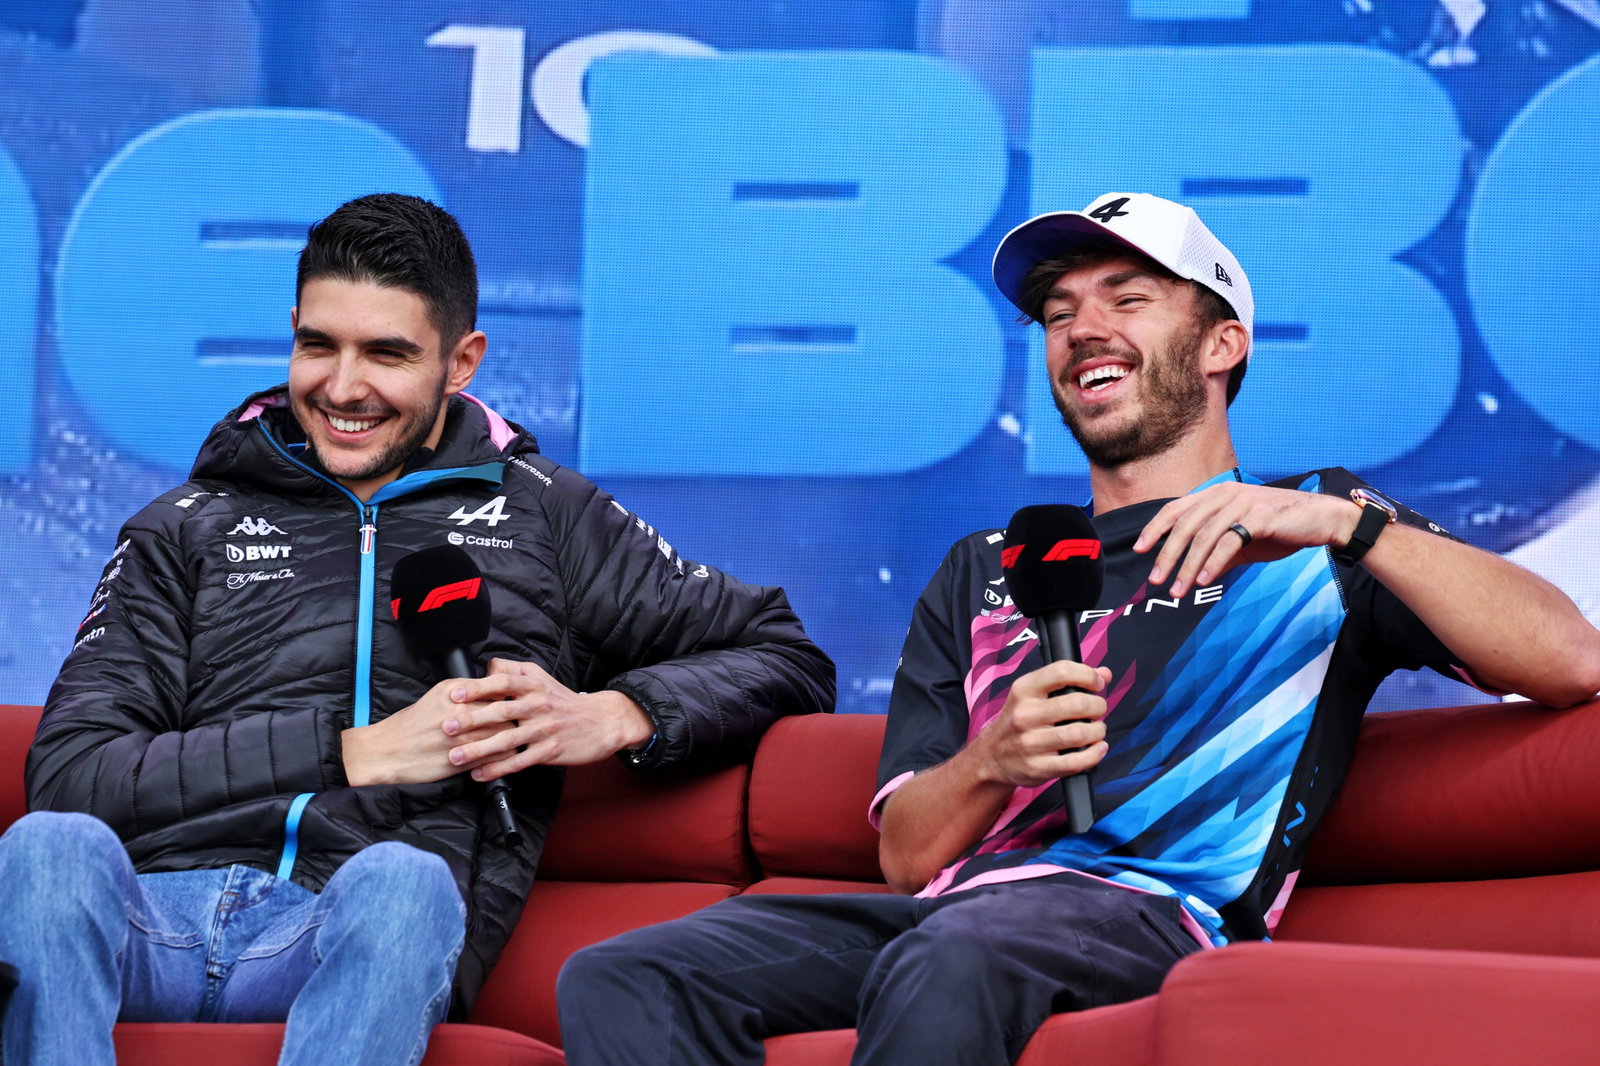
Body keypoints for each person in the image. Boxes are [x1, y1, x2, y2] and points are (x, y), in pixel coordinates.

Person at [556, 191, 1600, 1065]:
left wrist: (1350, 523)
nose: (1082, 327)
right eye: (1058, 313)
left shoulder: (1315, 533)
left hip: (1150, 913)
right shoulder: (983, 566)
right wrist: (990, 759)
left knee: (958, 952)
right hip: (954, 915)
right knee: (623, 970)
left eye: (1127, 298)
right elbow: (906, 858)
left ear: (1221, 343)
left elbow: (1568, 659)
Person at [0, 193, 835, 1066]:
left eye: (387, 354)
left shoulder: (545, 516)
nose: (342, 387)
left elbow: (783, 650)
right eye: (318, 345)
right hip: (153, 922)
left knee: (406, 879)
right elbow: (70, 775)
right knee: (49, 848)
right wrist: (351, 752)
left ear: (461, 361)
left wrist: (621, 713)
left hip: (358, 930)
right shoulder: (186, 524)